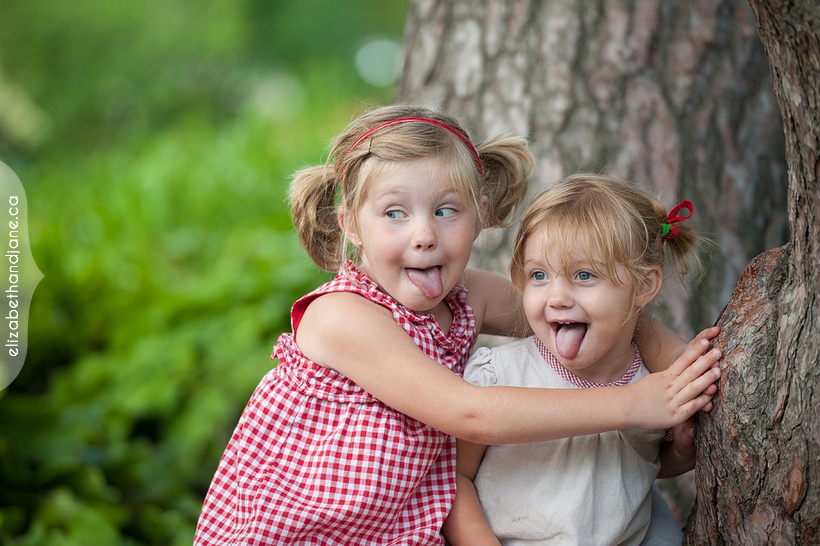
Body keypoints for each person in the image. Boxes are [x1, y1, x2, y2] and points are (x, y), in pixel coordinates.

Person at [194, 106, 721, 545]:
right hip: (299, 530)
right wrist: (635, 403)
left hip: (397, 528)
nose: (424, 235)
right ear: (351, 225)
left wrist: (684, 374)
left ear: (479, 212)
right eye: (395, 213)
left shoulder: (467, 293)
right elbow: (471, 413)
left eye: (446, 211)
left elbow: (591, 310)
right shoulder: (343, 316)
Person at [443, 174, 711, 546]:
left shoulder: (651, 385)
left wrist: (681, 452)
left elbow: (636, 467)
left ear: (644, 286)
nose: (556, 297)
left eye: (583, 275)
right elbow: (456, 479)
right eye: (538, 275)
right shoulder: (500, 377)